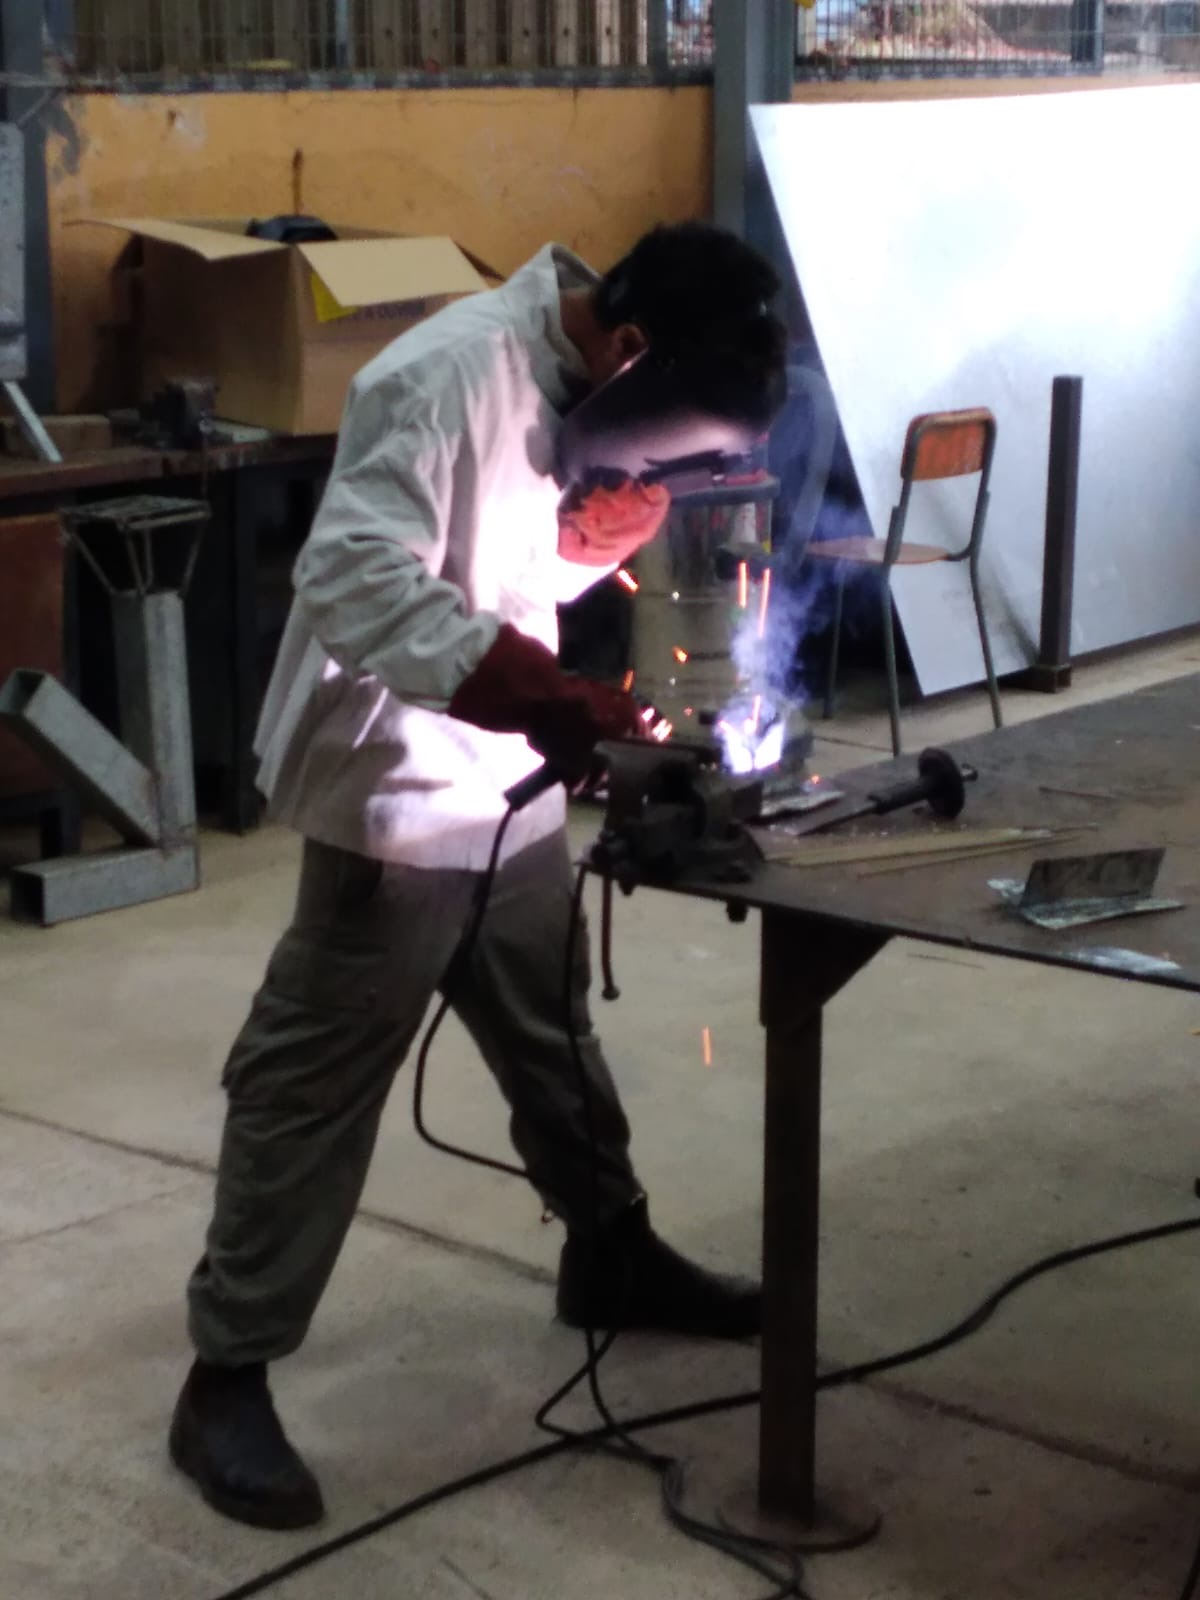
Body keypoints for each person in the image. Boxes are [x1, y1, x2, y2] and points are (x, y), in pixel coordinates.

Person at [169, 221, 788, 1531]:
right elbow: (354, 577)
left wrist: (587, 542)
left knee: (552, 1038)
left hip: (506, 788)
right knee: (311, 1088)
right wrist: (544, 691)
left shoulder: (575, 379)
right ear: (632, 349)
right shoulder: (438, 376)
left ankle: (611, 1256)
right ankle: (226, 1376)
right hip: (396, 794)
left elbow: (501, 560)